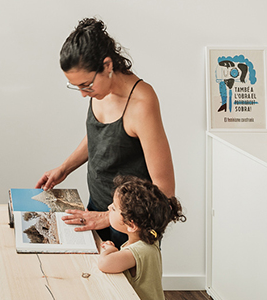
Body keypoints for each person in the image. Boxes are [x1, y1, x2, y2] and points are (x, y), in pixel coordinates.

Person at [36, 17, 174, 247]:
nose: (83, 94)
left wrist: (108, 218)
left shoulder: (141, 103)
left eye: (86, 85)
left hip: (129, 227)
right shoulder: (100, 91)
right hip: (96, 209)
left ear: (107, 65)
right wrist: (64, 169)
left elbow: (165, 190)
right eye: (77, 87)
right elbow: (101, 135)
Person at [97, 175, 185, 300]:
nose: (108, 208)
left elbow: (104, 264)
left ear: (131, 225)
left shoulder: (139, 251)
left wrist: (108, 250)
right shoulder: (148, 241)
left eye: (114, 208)